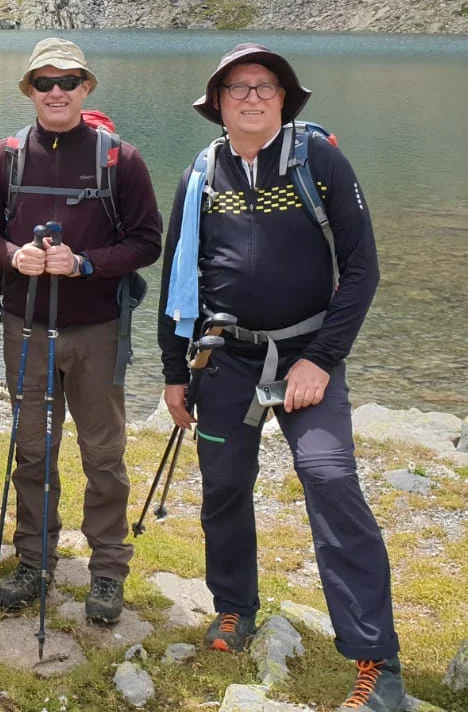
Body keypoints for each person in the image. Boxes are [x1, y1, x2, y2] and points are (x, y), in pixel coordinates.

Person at [157, 43, 403, 712]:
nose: (252, 96)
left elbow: (361, 270)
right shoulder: (201, 173)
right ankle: (234, 607)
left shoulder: (319, 161)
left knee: (329, 479)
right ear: (219, 103)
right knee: (225, 487)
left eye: (265, 85)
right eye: (237, 88)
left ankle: (376, 660)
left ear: (284, 97)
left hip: (305, 357)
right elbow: (179, 282)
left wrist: (320, 359)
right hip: (225, 360)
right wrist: (175, 372)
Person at [0, 38, 162, 625]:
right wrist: (13, 256)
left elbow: (148, 242)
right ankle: (34, 561)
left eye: (68, 81)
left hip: (97, 329)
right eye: (44, 82)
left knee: (103, 453)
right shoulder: (3, 159)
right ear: (28, 90)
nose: (56, 92)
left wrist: (84, 263)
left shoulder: (120, 160)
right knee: (32, 449)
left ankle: (107, 572)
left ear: (86, 88)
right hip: (24, 325)